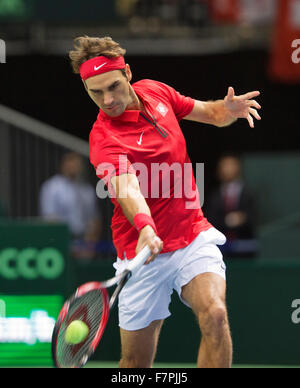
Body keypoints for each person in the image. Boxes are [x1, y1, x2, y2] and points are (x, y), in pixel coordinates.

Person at [69, 36, 261, 368]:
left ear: (127, 73)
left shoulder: (156, 91)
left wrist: (227, 111)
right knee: (134, 364)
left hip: (191, 235)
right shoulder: (103, 138)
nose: (108, 99)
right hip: (142, 252)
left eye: (113, 86)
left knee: (215, 314)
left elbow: (211, 113)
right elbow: (125, 186)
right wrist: (144, 227)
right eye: (95, 93)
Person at [39, 152, 102, 259]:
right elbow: (49, 218)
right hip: (59, 242)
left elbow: (94, 220)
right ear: (63, 165)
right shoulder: (52, 187)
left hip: (83, 243)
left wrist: (89, 245)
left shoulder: (87, 189)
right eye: (71, 163)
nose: (74, 167)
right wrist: (64, 243)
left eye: (77, 164)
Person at [206, 154, 259, 259]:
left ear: (238, 167)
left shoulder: (249, 194)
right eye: (224, 166)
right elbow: (210, 219)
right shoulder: (213, 196)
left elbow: (254, 216)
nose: (228, 169)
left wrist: (243, 218)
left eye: (231, 165)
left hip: (246, 248)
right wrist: (227, 221)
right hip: (221, 250)